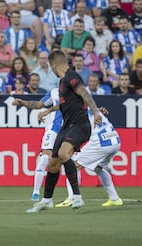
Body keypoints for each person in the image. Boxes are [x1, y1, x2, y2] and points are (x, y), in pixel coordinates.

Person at [25, 50, 102, 213]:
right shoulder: (62, 82)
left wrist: (95, 112)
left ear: (54, 65)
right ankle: (46, 201)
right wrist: (41, 109)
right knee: (52, 164)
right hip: (66, 127)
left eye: (51, 67)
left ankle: (77, 197)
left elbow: (85, 93)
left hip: (80, 125)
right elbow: (64, 104)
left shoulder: (71, 77)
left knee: (63, 153)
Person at [59, 108, 123, 207]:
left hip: (101, 141)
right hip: (115, 140)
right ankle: (114, 198)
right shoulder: (92, 108)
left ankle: (72, 198)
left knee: (73, 165)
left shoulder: (77, 112)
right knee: (98, 167)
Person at [12, 87, 62, 201]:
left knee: (70, 162)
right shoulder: (54, 91)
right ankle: (36, 192)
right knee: (45, 157)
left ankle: (74, 196)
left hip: (69, 129)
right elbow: (39, 104)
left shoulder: (77, 91)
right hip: (54, 129)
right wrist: (23, 103)